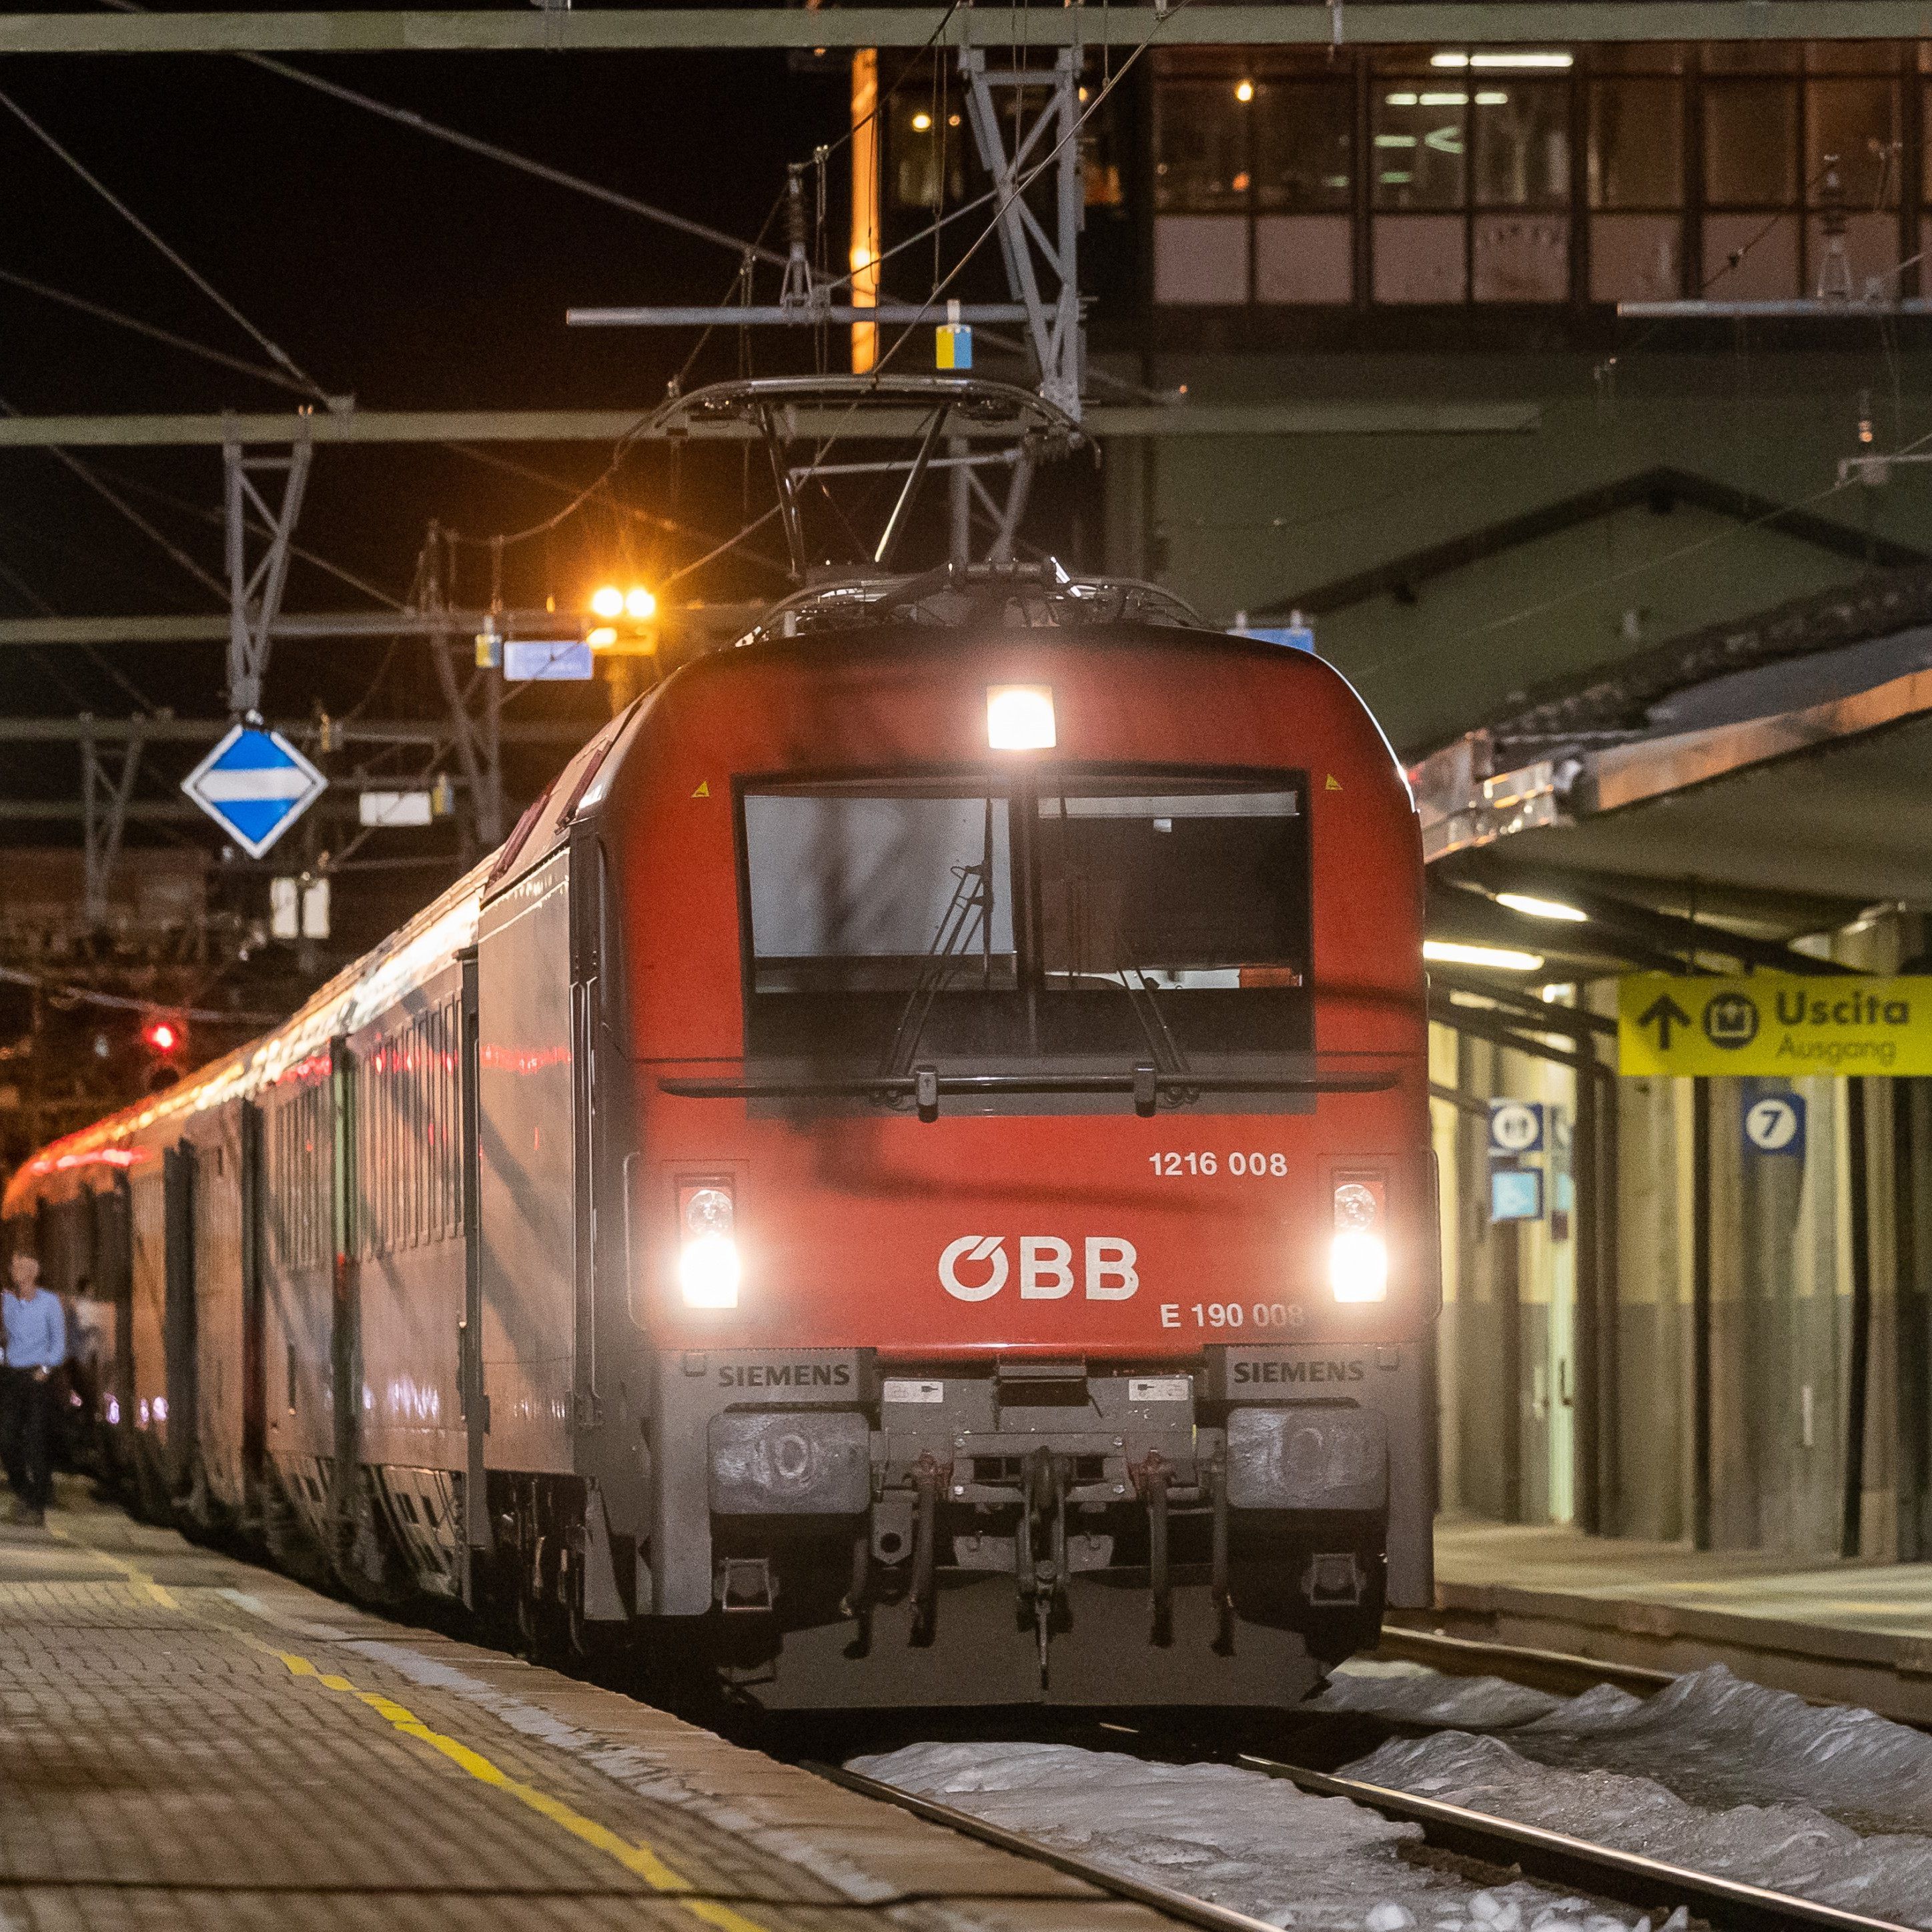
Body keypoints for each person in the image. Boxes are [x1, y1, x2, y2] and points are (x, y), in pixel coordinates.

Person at [2, 1248, 67, 1526]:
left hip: (37, 1377)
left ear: (32, 1272)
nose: (13, 1272)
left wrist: (46, 1368)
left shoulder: (50, 1303)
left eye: (18, 1268)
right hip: (12, 1376)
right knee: (6, 1439)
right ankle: (26, 1491)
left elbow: (60, 1342)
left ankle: (38, 1502)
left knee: (37, 1440)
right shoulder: (7, 1302)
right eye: (12, 1268)